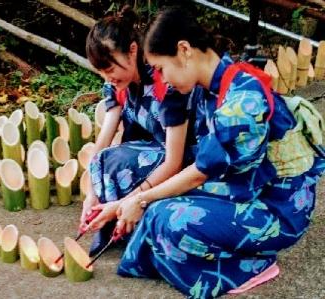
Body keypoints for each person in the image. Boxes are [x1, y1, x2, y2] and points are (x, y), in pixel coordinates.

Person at [113, 6, 325, 298]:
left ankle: (252, 265)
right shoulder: (211, 86)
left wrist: (141, 197)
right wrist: (140, 200)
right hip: (248, 189)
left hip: (278, 209)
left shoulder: (242, 101)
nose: (161, 80)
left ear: (184, 49)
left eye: (161, 69)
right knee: (155, 213)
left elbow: (199, 173)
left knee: (168, 217)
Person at [82, 6, 200, 256]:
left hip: (185, 157)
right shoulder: (118, 84)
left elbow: (174, 162)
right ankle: (111, 217)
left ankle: (126, 218)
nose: (107, 78)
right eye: (101, 71)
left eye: (110, 68)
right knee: (104, 159)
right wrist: (90, 194)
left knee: (122, 162)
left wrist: (127, 201)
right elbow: (101, 144)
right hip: (150, 149)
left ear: (133, 51)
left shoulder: (166, 81)